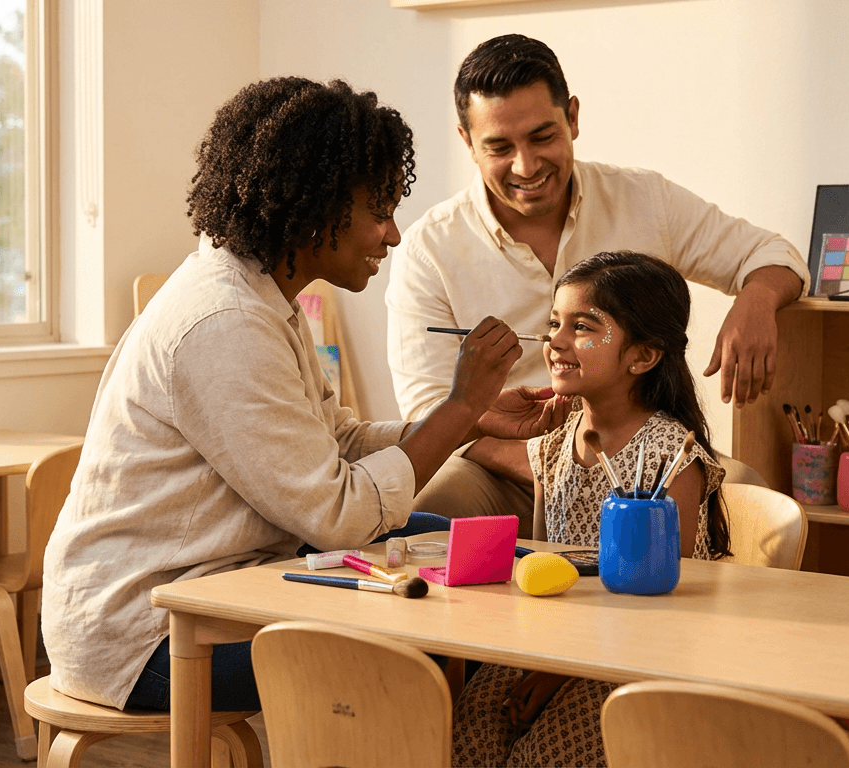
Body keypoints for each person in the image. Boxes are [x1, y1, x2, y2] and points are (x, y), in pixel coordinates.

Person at [41, 76, 566, 712]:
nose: (393, 236)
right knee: (435, 630)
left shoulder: (260, 296)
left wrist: (470, 419)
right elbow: (337, 514)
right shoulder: (225, 324)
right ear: (313, 207)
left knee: (477, 550)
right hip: (149, 640)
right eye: (379, 212)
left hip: (224, 584)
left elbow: (336, 442)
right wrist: (457, 408)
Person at [385, 34, 806, 532]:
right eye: (499, 147)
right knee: (423, 515)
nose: (526, 165)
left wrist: (756, 299)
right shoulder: (428, 248)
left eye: (543, 137)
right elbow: (429, 408)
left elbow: (774, 255)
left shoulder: (644, 199)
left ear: (574, 118)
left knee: (751, 503)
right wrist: (550, 464)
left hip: (643, 452)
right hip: (498, 465)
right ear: (467, 143)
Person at [451, 251, 729, 768]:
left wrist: (559, 671)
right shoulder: (556, 440)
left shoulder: (668, 454)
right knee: (466, 741)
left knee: (543, 759)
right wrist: (471, 415)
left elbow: (665, 601)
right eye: (554, 323)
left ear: (643, 356)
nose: (554, 341)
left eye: (583, 327)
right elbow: (540, 567)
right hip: (557, 645)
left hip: (642, 657)